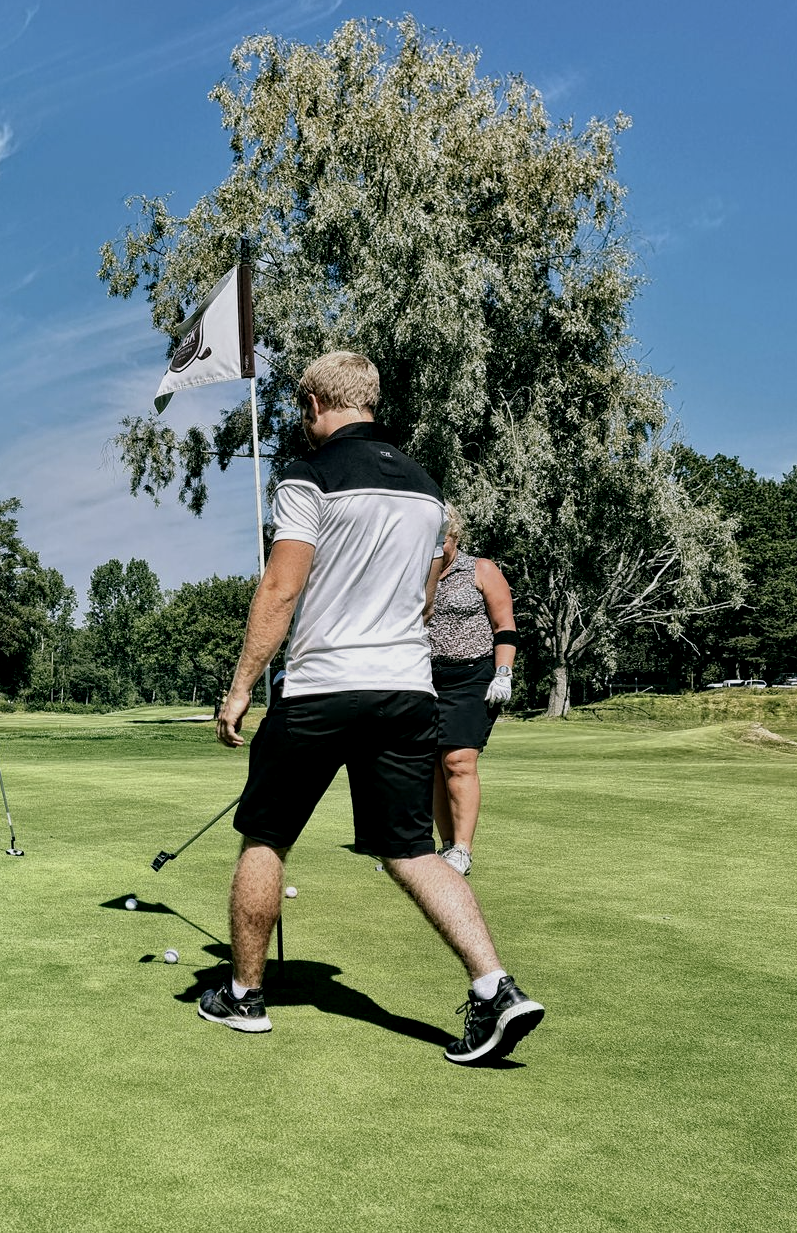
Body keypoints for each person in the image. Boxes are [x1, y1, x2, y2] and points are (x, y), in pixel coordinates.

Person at [199, 352, 542, 1064]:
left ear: (320, 401)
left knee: (265, 836)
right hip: (407, 689)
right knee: (412, 849)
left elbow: (280, 590)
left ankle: (244, 996)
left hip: (324, 685)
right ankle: (495, 987)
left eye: (303, 403)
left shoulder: (308, 477)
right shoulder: (426, 489)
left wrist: (239, 689)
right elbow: (421, 598)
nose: (301, 415)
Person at [428, 506, 518, 876]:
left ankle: (463, 849)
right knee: (432, 764)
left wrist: (503, 672)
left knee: (458, 761)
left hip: (473, 676)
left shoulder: (481, 569)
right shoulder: (419, 573)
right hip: (426, 677)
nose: (436, 546)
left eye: (442, 539)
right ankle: (446, 846)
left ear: (455, 536)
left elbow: (505, 627)